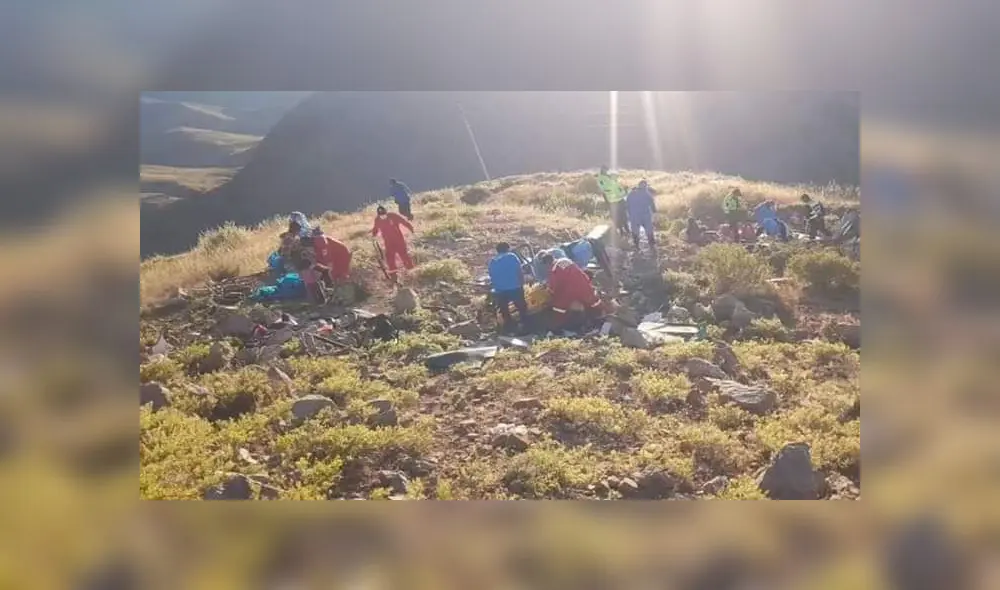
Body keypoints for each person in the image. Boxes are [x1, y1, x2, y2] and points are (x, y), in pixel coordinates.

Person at [541, 252, 604, 331]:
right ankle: (600, 316)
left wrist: (549, 293)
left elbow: (554, 286)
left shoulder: (554, 269)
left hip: (571, 290)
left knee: (559, 307)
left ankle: (557, 327)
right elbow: (579, 271)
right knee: (593, 301)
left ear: (547, 263)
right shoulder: (565, 260)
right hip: (583, 283)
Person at [488, 242, 530, 333]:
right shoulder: (511, 256)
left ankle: (508, 328)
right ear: (507, 249)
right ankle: (526, 327)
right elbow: (519, 271)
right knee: (522, 307)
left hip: (499, 290)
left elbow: (491, 276)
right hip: (514, 287)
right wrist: (522, 283)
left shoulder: (492, 261)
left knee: (504, 310)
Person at [371, 205, 415, 277]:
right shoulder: (377, 219)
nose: (383, 216)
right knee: (389, 258)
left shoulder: (393, 216)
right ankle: (393, 275)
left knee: (404, 255)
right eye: (381, 215)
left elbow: (404, 222)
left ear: (386, 212)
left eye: (384, 214)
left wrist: (411, 229)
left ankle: (411, 271)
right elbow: (375, 228)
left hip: (399, 240)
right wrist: (373, 235)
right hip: (388, 242)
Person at [596, 166, 629, 239]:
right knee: (617, 216)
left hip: (619, 199)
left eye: (607, 170)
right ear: (602, 170)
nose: (606, 171)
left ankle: (626, 230)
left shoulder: (610, 178)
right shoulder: (601, 178)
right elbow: (605, 188)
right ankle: (621, 231)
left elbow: (618, 189)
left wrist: (625, 191)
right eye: (605, 170)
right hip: (613, 200)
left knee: (623, 215)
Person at [626, 179, 657, 251]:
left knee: (635, 231)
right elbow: (652, 204)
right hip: (645, 215)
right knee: (649, 229)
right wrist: (655, 213)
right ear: (645, 186)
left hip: (634, 216)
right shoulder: (647, 194)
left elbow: (627, 205)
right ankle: (652, 244)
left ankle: (636, 245)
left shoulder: (631, 193)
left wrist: (629, 214)